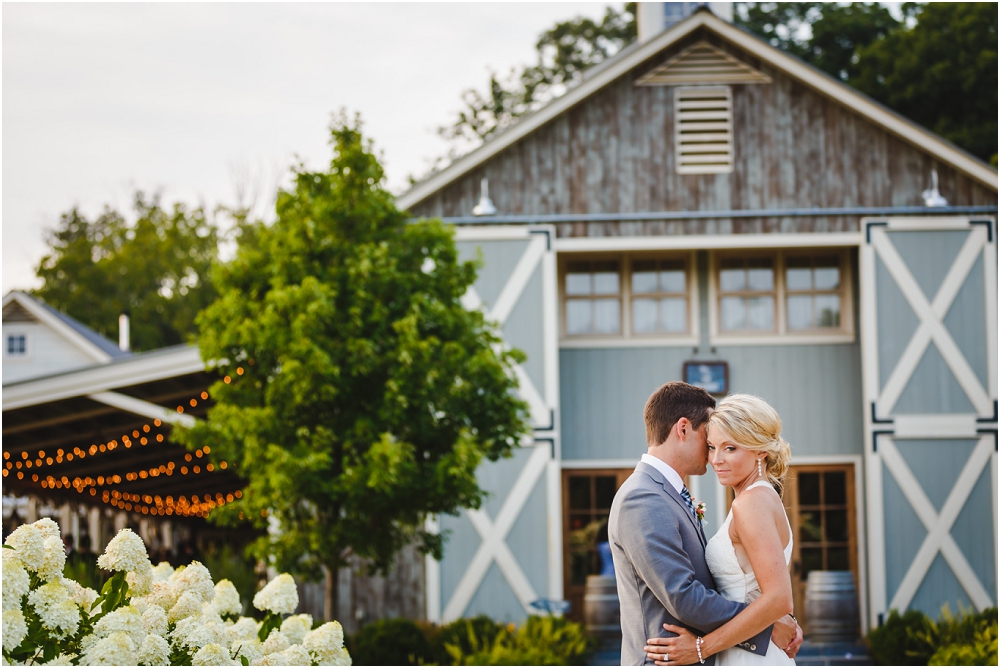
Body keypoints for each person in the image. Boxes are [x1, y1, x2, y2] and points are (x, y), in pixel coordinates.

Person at [607, 382, 801, 665]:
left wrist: (772, 615)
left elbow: (770, 592)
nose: (714, 458)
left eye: (728, 446)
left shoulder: (746, 500)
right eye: (710, 443)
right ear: (683, 429)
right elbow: (683, 596)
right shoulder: (643, 497)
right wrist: (768, 624)